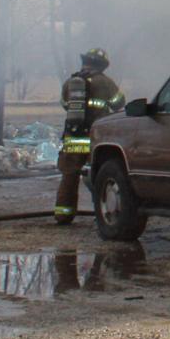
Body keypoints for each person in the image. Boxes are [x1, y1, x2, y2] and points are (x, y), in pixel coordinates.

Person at [54, 48, 124, 224]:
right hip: (96, 137)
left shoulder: (70, 82)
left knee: (69, 175)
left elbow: (64, 103)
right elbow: (119, 103)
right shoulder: (105, 82)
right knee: (99, 174)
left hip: (74, 136)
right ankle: (101, 213)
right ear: (102, 65)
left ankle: (63, 214)